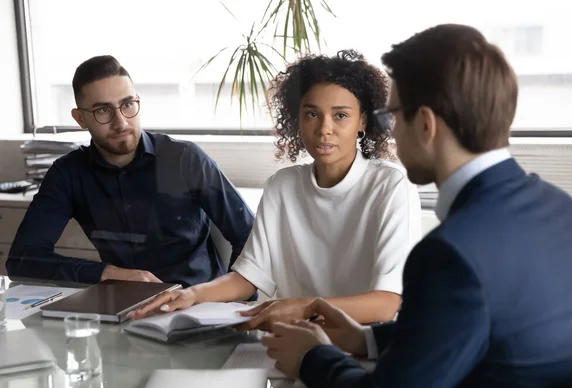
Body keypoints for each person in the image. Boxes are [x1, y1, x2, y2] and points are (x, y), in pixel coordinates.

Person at [261, 24, 572, 388]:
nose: (388, 132)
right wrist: (367, 339)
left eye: (391, 116)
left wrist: (312, 356)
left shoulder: (450, 253)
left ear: (424, 125)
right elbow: (474, 323)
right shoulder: (560, 207)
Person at [131, 50, 422, 329]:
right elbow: (248, 277)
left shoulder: (390, 187)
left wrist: (306, 307)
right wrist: (192, 294)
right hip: (291, 340)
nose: (324, 128)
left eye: (340, 115)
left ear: (363, 121)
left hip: (364, 345)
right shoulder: (282, 186)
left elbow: (385, 303)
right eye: (311, 114)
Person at [6, 55, 255, 288]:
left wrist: (234, 301)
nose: (121, 122)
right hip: (123, 311)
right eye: (103, 110)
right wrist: (109, 273)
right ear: (80, 119)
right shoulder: (68, 174)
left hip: (200, 305)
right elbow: (23, 260)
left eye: (127, 104)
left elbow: (249, 237)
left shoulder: (184, 159)